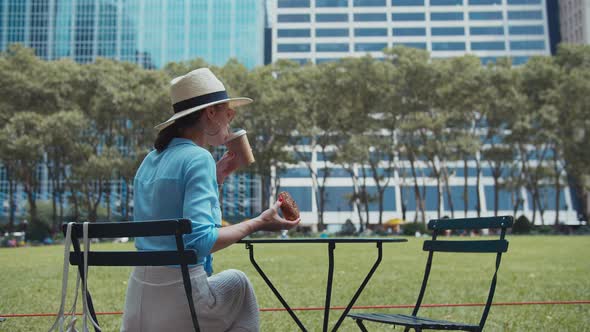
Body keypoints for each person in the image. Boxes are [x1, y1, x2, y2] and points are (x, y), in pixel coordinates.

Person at [121, 68, 300, 332]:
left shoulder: (151, 159)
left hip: (138, 305)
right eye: (227, 109)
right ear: (210, 113)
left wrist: (214, 179)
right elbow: (199, 242)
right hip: (179, 302)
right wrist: (258, 223)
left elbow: (167, 214)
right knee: (238, 283)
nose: (232, 116)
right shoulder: (198, 157)